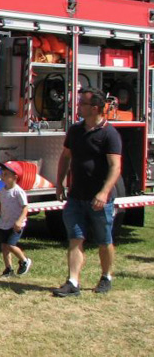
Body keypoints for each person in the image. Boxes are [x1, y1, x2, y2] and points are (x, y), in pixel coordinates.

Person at [52, 87, 122, 297]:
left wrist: (103, 193)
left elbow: (115, 167)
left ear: (96, 108)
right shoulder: (75, 130)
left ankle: (106, 276)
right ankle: (73, 282)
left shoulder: (109, 134)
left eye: (83, 103)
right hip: (76, 196)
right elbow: (65, 156)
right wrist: (59, 182)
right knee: (75, 238)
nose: (79, 106)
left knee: (104, 240)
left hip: (99, 199)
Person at [0, 162, 32, 277]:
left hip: (15, 225)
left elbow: (25, 208)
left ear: (15, 177)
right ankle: (8, 269)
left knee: (10, 245)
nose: (3, 176)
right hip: (4, 223)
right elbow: (0, 206)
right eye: (2, 174)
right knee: (4, 246)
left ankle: (24, 260)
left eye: (6, 174)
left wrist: (19, 221)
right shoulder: (2, 191)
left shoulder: (18, 192)